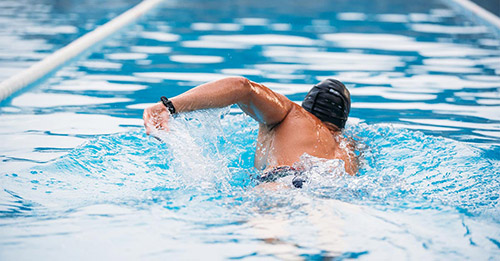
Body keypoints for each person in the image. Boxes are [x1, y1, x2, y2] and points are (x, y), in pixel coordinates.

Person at [143, 77, 358, 188]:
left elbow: (242, 87)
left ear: (307, 105)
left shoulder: (292, 114)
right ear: (341, 122)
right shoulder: (348, 149)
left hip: (281, 182)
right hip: (332, 192)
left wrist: (169, 106)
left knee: (273, 247)